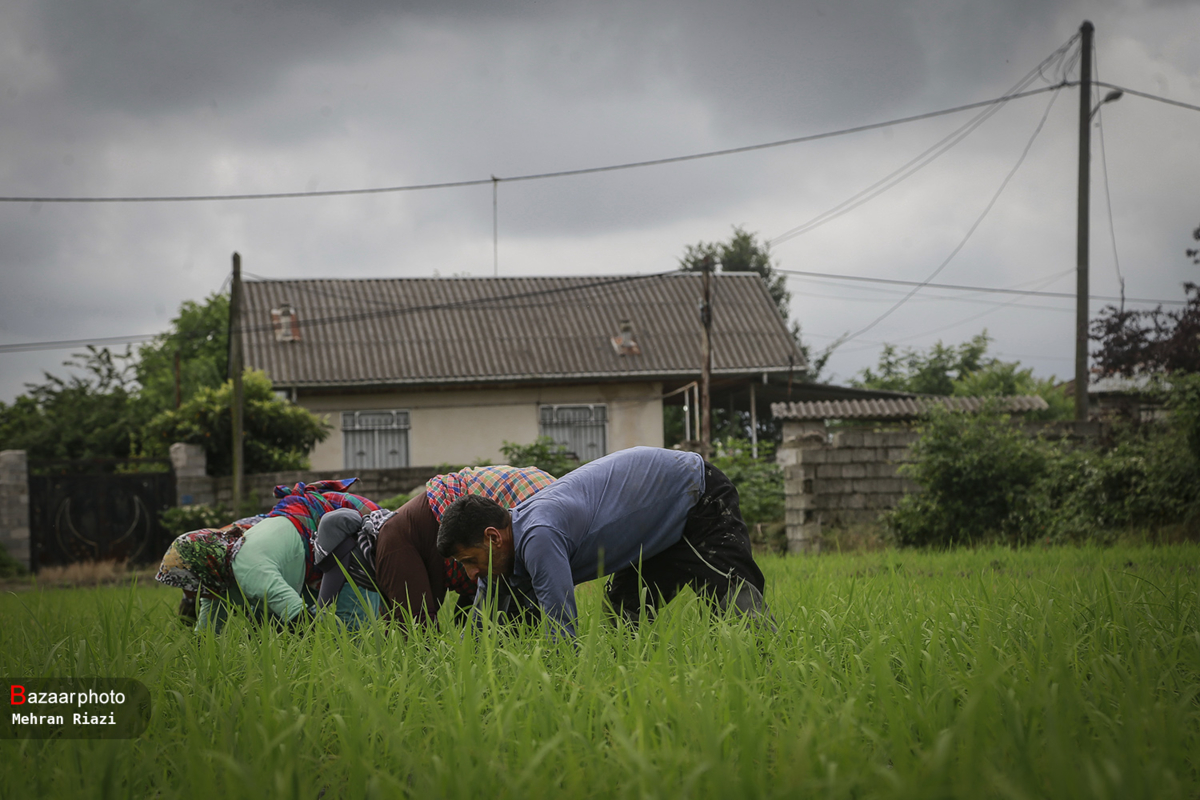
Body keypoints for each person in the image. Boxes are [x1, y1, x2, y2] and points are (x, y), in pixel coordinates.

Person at [436, 446, 770, 639]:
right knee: (626, 613)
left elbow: (561, 631)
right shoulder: (507, 546)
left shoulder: (538, 534)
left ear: (492, 537)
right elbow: (482, 621)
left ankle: (769, 673)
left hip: (696, 495)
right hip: (653, 528)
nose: (469, 573)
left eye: (469, 560)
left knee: (737, 608)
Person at [314, 465, 555, 626]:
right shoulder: (390, 533)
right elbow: (398, 614)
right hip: (539, 496)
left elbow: (416, 625)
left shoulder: (389, 545)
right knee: (480, 622)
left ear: (353, 562)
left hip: (529, 506)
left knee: (512, 616)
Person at [186, 479, 380, 633]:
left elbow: (299, 617)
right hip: (306, 550)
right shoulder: (218, 571)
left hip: (335, 536)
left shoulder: (249, 568)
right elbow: (207, 627)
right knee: (269, 622)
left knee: (350, 628)